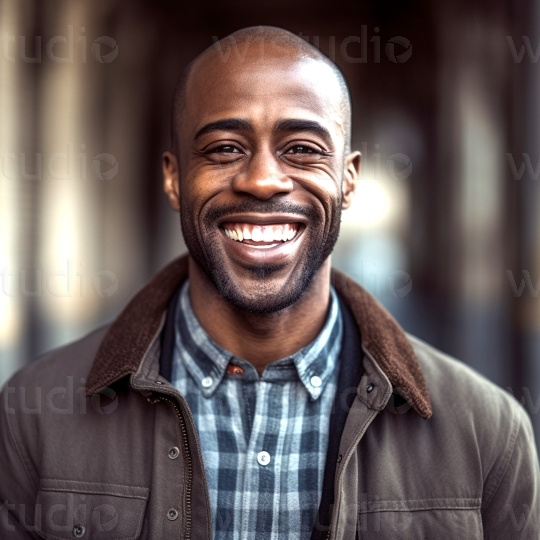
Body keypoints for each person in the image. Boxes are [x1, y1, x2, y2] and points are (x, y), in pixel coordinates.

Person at [0, 25, 538, 540]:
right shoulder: (34, 418)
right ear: (173, 178)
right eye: (225, 148)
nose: (262, 179)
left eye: (302, 148)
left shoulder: (487, 435)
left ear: (348, 181)